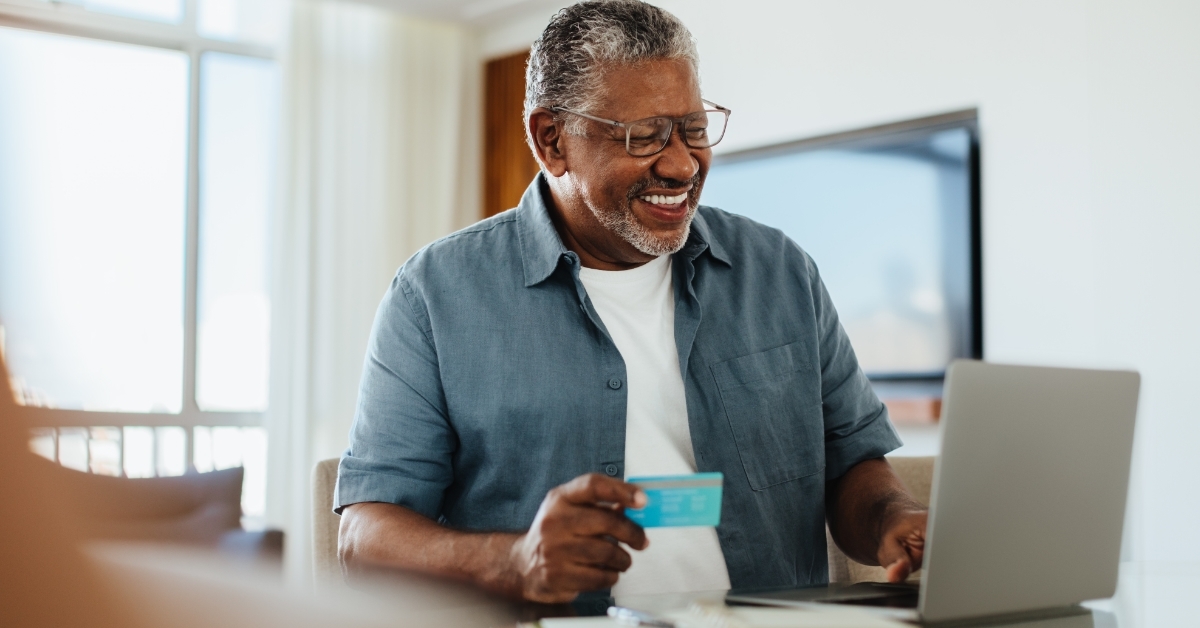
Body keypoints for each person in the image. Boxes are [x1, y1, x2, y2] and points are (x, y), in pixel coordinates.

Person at [336, 0, 927, 604]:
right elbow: (364, 539)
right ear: (551, 141)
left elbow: (852, 462)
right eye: (643, 137)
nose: (681, 165)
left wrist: (893, 521)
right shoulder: (434, 296)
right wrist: (514, 561)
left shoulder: (780, 272)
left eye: (694, 130)